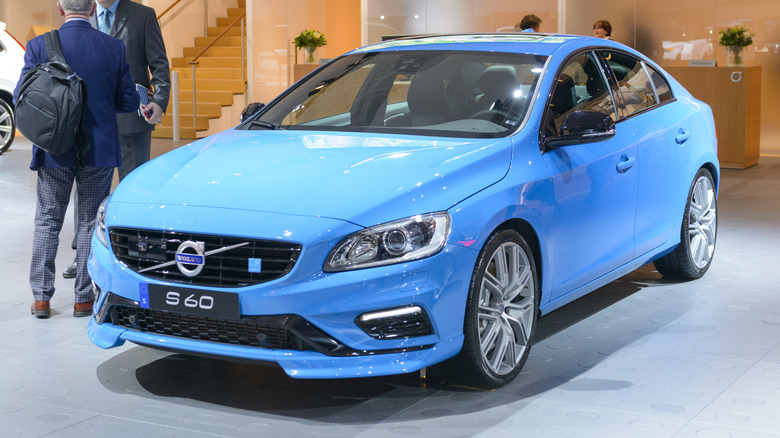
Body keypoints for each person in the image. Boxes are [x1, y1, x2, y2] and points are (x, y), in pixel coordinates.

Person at [16, 0, 140, 318]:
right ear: (91, 9)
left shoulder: (38, 46)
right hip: (98, 150)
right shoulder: (112, 47)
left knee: (47, 220)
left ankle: (42, 298)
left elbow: (21, 99)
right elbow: (127, 101)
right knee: (87, 222)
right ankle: (83, 298)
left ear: (61, 8)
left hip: (54, 149)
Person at [61, 0, 171, 279]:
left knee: (134, 189)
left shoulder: (142, 15)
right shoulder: (83, 14)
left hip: (133, 118)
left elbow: (159, 64)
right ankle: (83, 255)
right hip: (90, 123)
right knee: (86, 194)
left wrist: (159, 101)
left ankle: (136, 256)